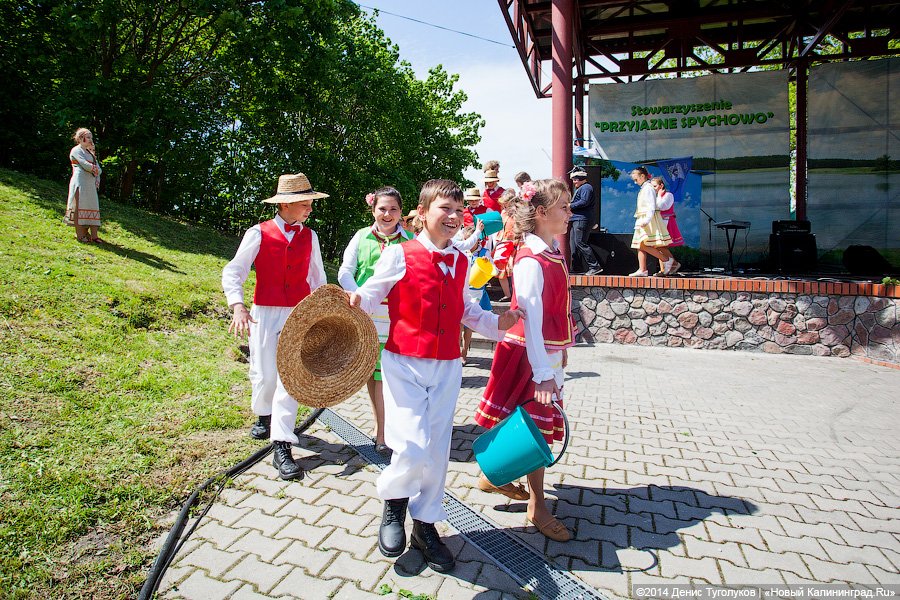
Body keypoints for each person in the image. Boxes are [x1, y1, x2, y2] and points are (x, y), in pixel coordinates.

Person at [349, 179, 523, 573]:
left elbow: (466, 311)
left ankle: (425, 525)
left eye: (458, 211)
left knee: (436, 448)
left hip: (446, 365)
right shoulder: (400, 254)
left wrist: (500, 323)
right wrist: (358, 298)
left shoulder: (462, 261)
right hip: (404, 362)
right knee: (410, 442)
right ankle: (394, 505)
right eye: (444, 208)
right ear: (423, 213)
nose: (453, 217)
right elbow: (373, 290)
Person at [474, 179, 575, 542]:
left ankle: (494, 473)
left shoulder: (549, 247)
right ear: (543, 213)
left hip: (543, 352)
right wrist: (543, 372)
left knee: (530, 427)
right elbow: (530, 318)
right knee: (535, 430)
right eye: (564, 206)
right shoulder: (532, 258)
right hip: (530, 354)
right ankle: (537, 506)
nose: (570, 212)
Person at [222, 173, 328, 480]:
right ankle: (263, 413)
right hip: (264, 313)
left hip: (297, 313)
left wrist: (320, 311)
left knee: (289, 379)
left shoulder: (311, 236)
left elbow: (317, 278)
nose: (309, 208)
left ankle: (281, 443)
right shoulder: (258, 233)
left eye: (310, 202)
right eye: (306, 202)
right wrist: (237, 304)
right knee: (266, 374)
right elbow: (234, 270)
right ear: (287, 204)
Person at [338, 187, 414, 455]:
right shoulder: (361, 237)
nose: (388, 214)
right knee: (377, 376)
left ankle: (395, 429)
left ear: (401, 212)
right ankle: (382, 433)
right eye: (382, 208)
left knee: (397, 376)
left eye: (393, 209)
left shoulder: (411, 240)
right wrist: (356, 293)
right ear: (373, 210)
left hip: (401, 317)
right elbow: (346, 270)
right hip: (369, 316)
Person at [628, 167, 674, 277]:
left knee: (644, 244)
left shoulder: (648, 188)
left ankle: (666, 259)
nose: (635, 182)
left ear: (642, 176)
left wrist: (646, 220)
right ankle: (642, 269)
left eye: (636, 179)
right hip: (643, 218)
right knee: (639, 244)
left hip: (647, 219)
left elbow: (651, 206)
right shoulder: (645, 188)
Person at [64, 128, 103, 243]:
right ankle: (80, 235)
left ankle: (94, 235)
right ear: (81, 138)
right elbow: (84, 164)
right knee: (79, 206)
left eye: (91, 137)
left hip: (90, 184)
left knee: (92, 206)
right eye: (88, 137)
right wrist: (94, 169)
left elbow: (98, 168)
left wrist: (96, 170)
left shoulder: (90, 153)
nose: (91, 140)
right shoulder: (76, 150)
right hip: (80, 182)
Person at [568, 169, 603, 275]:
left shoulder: (586, 188)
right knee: (574, 245)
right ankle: (576, 268)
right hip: (576, 219)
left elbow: (584, 201)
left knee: (580, 242)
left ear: (582, 179)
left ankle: (594, 266)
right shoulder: (582, 188)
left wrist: (570, 205)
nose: (574, 182)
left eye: (575, 179)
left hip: (581, 219)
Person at [651, 176, 682, 275]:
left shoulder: (668, 195)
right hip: (659, 223)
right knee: (657, 246)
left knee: (659, 245)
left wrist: (659, 197)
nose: (654, 189)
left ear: (661, 185)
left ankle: (673, 264)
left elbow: (662, 207)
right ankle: (664, 269)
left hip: (666, 222)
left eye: (655, 186)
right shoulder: (656, 197)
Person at [492, 187, 519, 302]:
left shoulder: (518, 214)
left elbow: (521, 229)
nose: (505, 207)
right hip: (502, 242)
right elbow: (499, 227)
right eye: (504, 204)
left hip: (513, 243)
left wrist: (516, 241)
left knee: (514, 268)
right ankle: (507, 294)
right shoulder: (503, 213)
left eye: (507, 204)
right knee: (499, 266)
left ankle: (516, 295)